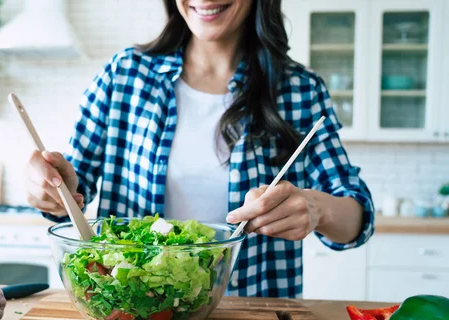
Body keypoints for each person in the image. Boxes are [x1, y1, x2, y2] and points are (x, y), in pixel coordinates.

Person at [25, 0, 375, 298]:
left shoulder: (300, 91)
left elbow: (357, 217)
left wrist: (318, 209)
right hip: (133, 313)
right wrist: (53, 187)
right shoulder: (124, 75)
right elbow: (73, 187)